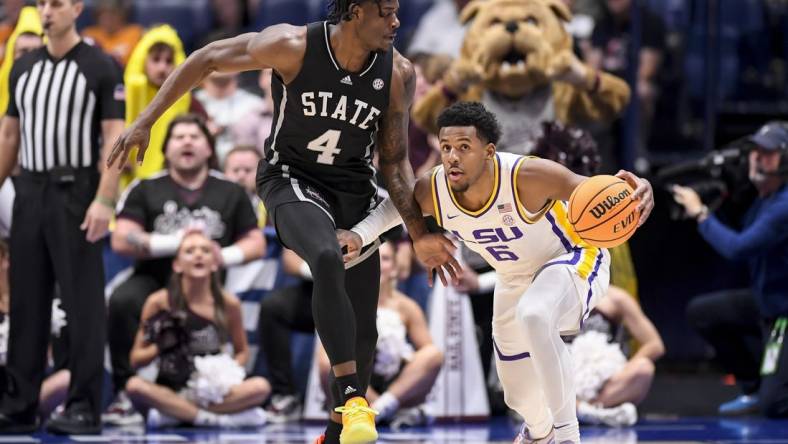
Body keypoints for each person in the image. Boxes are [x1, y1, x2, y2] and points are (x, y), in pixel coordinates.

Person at [106, 1, 460, 443]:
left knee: (364, 328)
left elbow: (394, 161)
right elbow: (206, 59)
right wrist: (146, 120)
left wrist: (419, 232)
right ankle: (353, 397)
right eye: (385, 12)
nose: (396, 22)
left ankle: (334, 435)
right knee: (327, 254)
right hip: (291, 179)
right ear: (354, 12)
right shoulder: (292, 45)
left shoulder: (398, 74)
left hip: (354, 190)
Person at [339, 102, 654, 443]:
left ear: (488, 152)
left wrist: (637, 194)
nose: (452, 157)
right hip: (514, 277)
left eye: (463, 147)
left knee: (535, 314)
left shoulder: (527, 176)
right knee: (517, 392)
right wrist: (359, 235)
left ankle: (568, 436)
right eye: (446, 148)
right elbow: (396, 208)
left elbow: (593, 191)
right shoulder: (436, 189)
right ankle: (540, 434)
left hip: (572, 257)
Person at [0, 0, 125, 434]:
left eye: (55, 3)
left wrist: (105, 201)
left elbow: (115, 139)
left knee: (83, 304)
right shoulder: (23, 67)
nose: (46, 11)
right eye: (41, 4)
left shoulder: (100, 65)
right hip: (28, 190)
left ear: (76, 7)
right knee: (26, 303)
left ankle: (85, 407)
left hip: (76, 192)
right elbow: (10, 135)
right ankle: (18, 406)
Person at [105, 114, 265, 426]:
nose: (187, 141)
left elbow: (256, 243)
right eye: (179, 137)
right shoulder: (145, 188)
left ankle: (196, 399)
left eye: (195, 136)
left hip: (208, 283)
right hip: (154, 278)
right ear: (166, 149)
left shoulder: (231, 190)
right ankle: (125, 392)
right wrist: (178, 243)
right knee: (123, 301)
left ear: (210, 148)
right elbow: (122, 239)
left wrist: (220, 255)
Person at [676, 122, 788, 418]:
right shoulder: (766, 197)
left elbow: (738, 248)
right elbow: (743, 227)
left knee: (775, 405)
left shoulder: (783, 205)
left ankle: (766, 390)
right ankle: (753, 386)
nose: (757, 158)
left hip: (782, 316)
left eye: (769, 153)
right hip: (767, 303)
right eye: (756, 152)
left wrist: (700, 213)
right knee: (704, 312)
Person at [125, 230, 271, 428]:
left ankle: (176, 415)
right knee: (134, 387)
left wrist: (225, 374)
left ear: (214, 264)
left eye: (205, 250)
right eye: (189, 251)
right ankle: (214, 419)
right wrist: (160, 346)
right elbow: (136, 360)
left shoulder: (228, 303)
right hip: (171, 388)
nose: (198, 255)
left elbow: (242, 351)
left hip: (211, 390)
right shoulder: (159, 302)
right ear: (177, 265)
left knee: (261, 387)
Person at [316, 241, 443, 426]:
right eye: (374, 258)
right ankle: (369, 408)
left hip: (395, 385)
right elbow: (324, 358)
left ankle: (379, 410)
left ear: (393, 267)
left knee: (433, 354)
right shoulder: (344, 303)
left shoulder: (406, 306)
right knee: (327, 362)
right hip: (355, 383)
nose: (378, 265)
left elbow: (429, 354)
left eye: (385, 259)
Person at [572, 285, 664, 427]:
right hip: (559, 377)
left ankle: (588, 411)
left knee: (644, 369)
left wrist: (621, 366)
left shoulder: (616, 298)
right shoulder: (546, 292)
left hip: (600, 381)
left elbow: (654, 344)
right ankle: (578, 411)